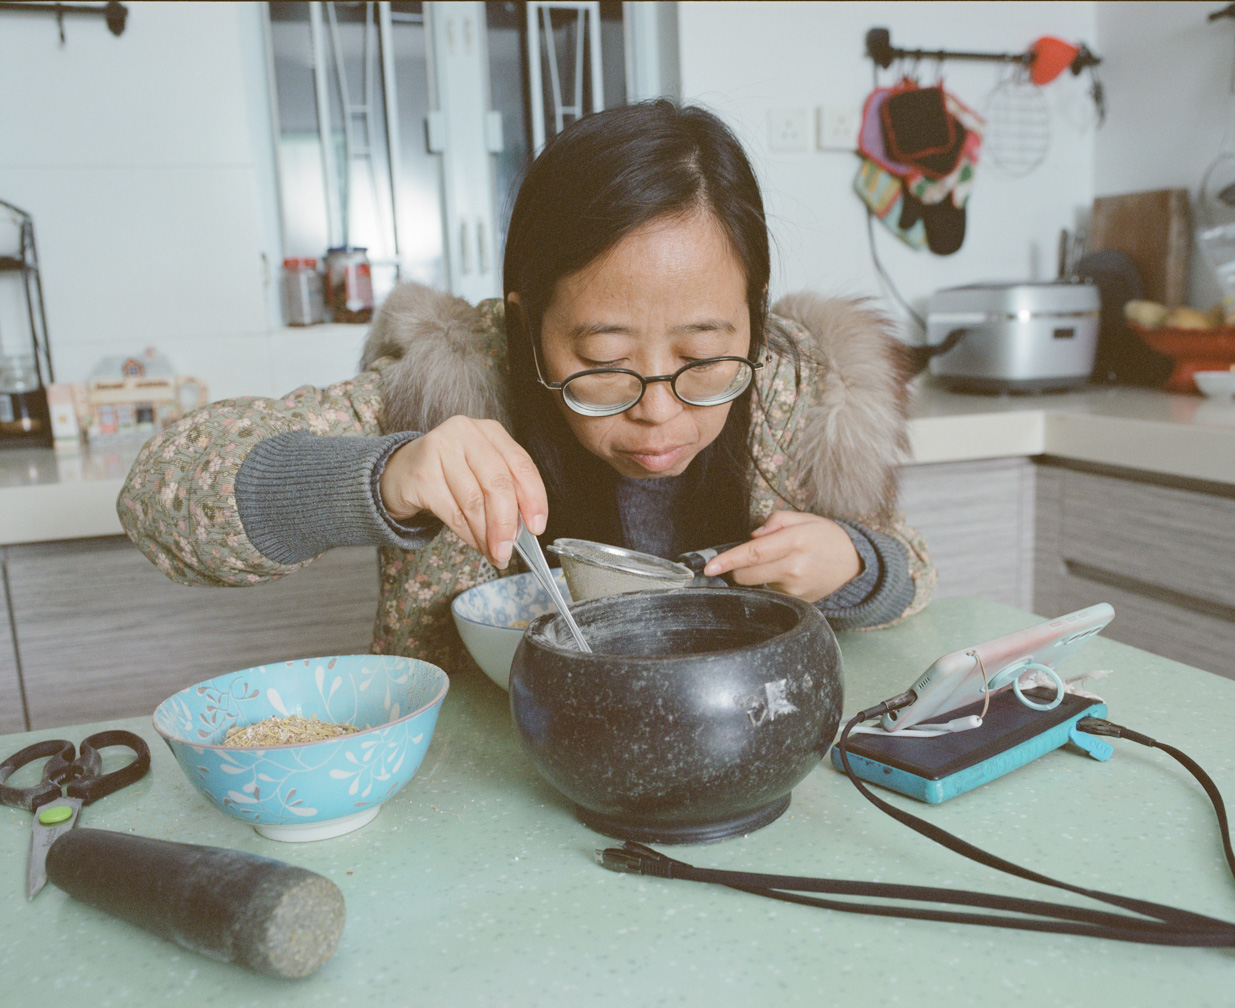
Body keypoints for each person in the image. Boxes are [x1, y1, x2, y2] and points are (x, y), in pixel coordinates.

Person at [117, 99, 935, 675]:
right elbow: (161, 499)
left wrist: (852, 564)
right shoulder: (447, 379)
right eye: (604, 360)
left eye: (702, 355)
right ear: (527, 321)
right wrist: (385, 476)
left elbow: (910, 570)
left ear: (752, 316)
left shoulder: (794, 388)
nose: (657, 412)